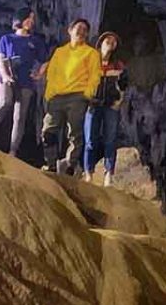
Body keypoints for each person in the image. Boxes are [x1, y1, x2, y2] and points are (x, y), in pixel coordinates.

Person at [38, 19, 102, 174]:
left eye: (85, 30)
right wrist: (48, 96)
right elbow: (51, 74)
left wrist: (88, 94)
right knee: (48, 131)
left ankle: (70, 165)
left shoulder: (91, 53)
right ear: (70, 30)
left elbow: (95, 76)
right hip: (57, 97)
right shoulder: (60, 52)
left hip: (77, 96)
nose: (81, 32)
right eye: (78, 28)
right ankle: (51, 164)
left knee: (75, 133)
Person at [0, 10, 47, 160]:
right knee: (4, 102)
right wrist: (4, 75)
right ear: (20, 19)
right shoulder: (7, 39)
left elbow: (45, 60)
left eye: (32, 18)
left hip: (26, 80)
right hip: (8, 76)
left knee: (20, 115)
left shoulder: (35, 41)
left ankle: (13, 150)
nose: (31, 21)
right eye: (28, 18)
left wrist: (39, 74)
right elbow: (0, 58)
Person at [82, 30, 128, 185]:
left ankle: (109, 174)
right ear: (100, 43)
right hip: (93, 105)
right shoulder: (90, 62)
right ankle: (88, 172)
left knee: (110, 139)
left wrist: (118, 102)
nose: (110, 42)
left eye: (114, 41)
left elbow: (123, 85)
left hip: (110, 106)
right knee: (90, 140)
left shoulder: (118, 65)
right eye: (107, 40)